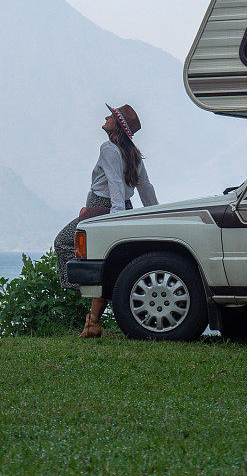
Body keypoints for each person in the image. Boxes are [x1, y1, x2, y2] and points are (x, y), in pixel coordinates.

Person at [54, 103, 158, 338]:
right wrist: (155, 215)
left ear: (118, 125)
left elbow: (114, 183)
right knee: (108, 260)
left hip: (104, 209)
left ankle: (97, 287)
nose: (106, 117)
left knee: (62, 243)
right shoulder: (134, 154)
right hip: (119, 208)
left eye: (111, 116)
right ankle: (92, 323)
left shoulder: (109, 148)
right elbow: (146, 189)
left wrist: (115, 217)